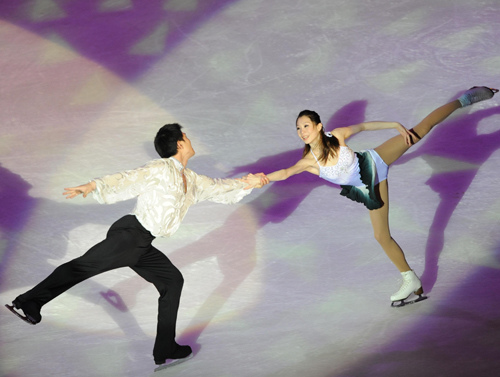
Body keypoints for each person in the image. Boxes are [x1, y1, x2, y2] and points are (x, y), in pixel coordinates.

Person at [5, 123, 265, 372]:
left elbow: (219, 187)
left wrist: (249, 182)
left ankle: (165, 347)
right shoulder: (160, 168)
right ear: (179, 143)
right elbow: (129, 178)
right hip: (130, 236)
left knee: (172, 281)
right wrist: (94, 185)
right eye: (187, 136)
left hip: (143, 244)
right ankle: (28, 302)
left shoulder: (190, 179)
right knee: (82, 267)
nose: (190, 139)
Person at [256, 86, 498, 307]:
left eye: (305, 126)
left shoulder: (337, 135)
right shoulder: (309, 161)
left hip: (377, 159)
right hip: (371, 186)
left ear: (318, 126)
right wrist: (262, 178)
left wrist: (393, 124)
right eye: (298, 128)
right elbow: (286, 172)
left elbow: (363, 127)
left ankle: (466, 99)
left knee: (421, 129)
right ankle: (410, 279)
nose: (301, 132)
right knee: (382, 236)